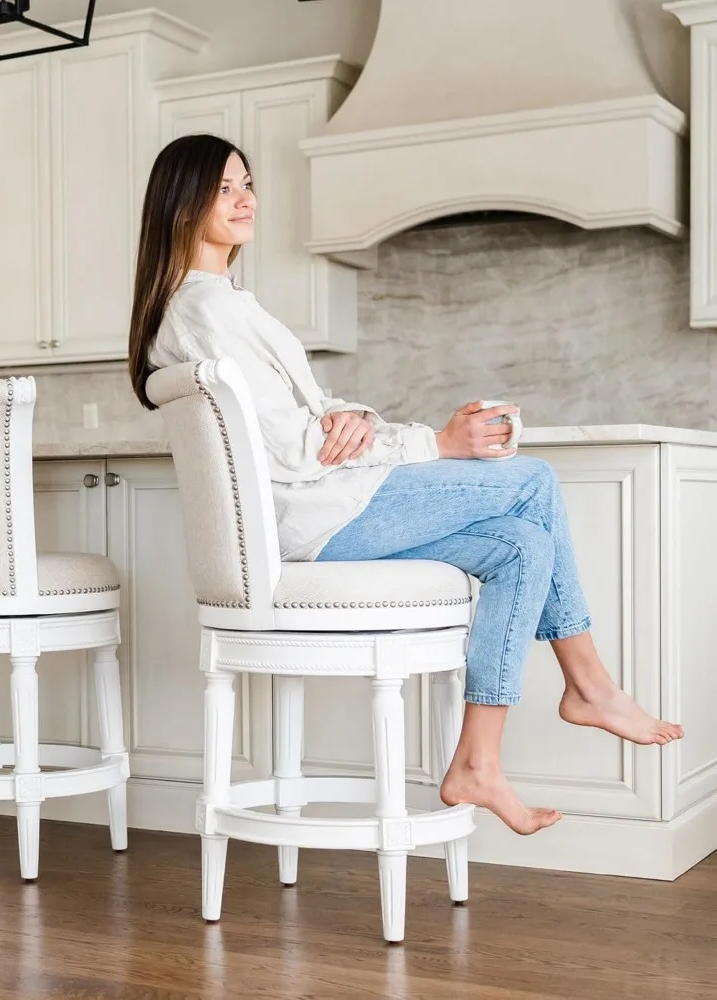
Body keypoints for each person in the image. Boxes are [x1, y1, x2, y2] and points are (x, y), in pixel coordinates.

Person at [128, 133, 683, 836]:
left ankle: (478, 764)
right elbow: (293, 449)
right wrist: (437, 442)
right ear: (182, 206)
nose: (246, 199)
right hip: (313, 518)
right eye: (224, 188)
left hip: (313, 511)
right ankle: (592, 687)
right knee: (532, 480)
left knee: (520, 548)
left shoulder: (211, 306)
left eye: (248, 184)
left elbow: (302, 416)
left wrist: (348, 414)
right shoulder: (210, 311)